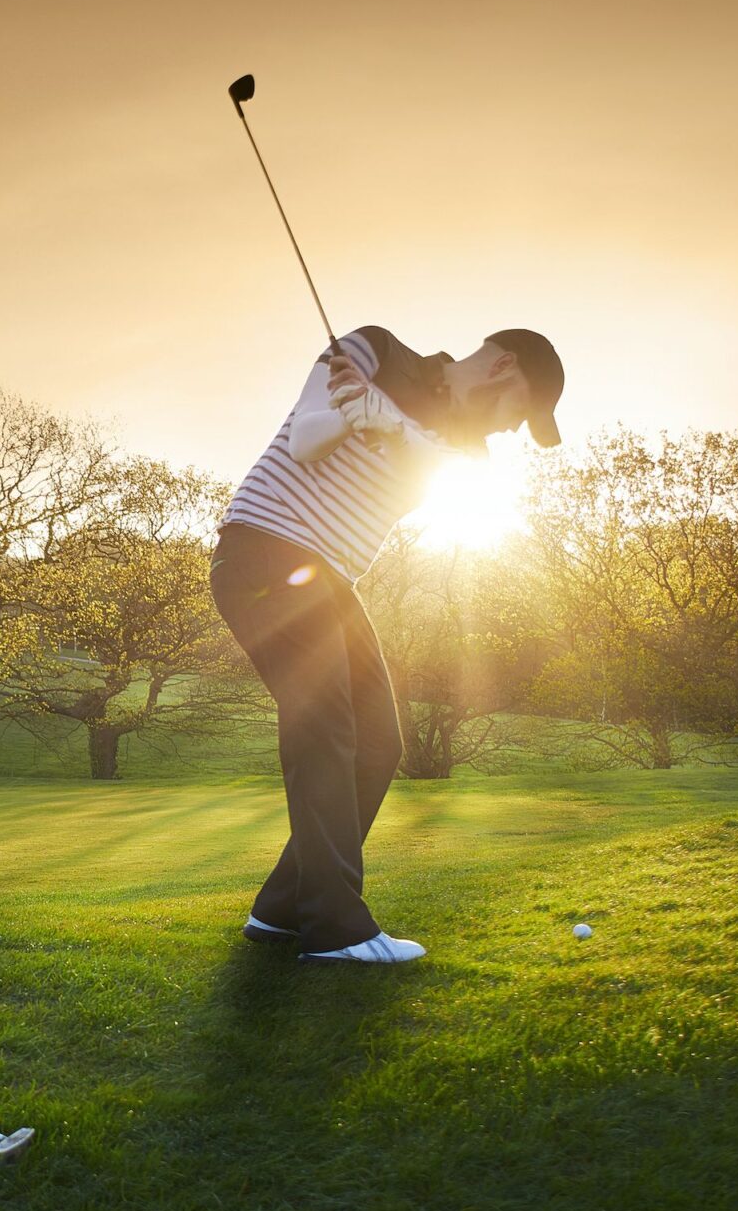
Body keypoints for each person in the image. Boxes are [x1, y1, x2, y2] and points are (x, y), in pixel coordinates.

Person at [212, 326, 565, 964]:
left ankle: (281, 911)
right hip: (267, 551)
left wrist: (389, 421)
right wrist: (354, 417)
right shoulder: (374, 349)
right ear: (504, 367)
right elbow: (307, 439)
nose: (516, 429)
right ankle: (337, 930)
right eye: (524, 411)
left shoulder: (469, 449)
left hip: (328, 580)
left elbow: (446, 470)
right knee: (325, 726)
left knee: (380, 741)